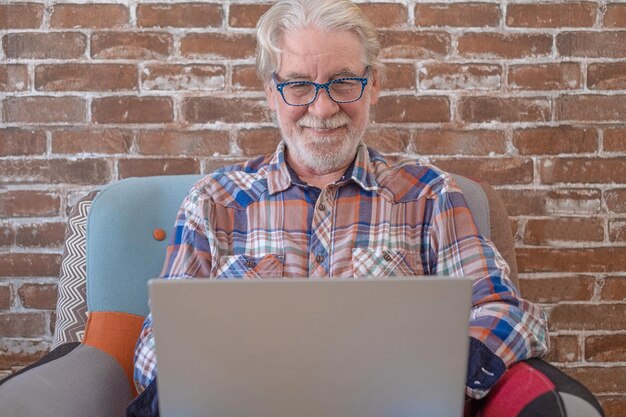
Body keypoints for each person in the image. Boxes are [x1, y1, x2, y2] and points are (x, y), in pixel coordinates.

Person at [128, 1, 603, 416]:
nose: (322, 108)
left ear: (372, 86)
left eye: (343, 82)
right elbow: (154, 347)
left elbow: (508, 311)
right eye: (298, 85)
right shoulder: (214, 202)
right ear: (271, 94)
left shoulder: (429, 194)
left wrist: (440, 368)